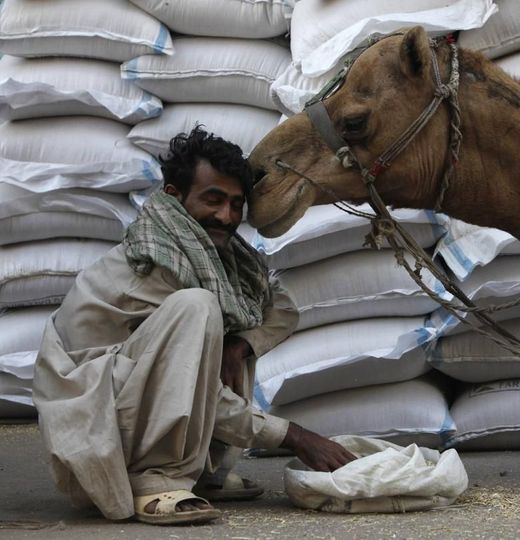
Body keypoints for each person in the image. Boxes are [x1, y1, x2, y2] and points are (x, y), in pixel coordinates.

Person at [32, 126, 356, 526]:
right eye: (213, 199)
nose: (227, 216)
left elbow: (281, 307)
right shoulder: (156, 265)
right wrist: (295, 436)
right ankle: (154, 477)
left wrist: (241, 344)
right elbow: (194, 387)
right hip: (94, 422)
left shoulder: (212, 254)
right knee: (200, 308)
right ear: (175, 197)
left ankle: (201, 470)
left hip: (129, 400)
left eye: (237, 203)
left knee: (233, 324)